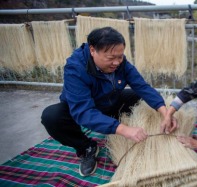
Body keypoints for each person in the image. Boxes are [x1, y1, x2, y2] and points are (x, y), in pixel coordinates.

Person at [41, 27, 176, 177]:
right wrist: (124, 129)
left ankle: (115, 125)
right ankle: (86, 147)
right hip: (84, 108)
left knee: (140, 97)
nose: (117, 62)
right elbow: (84, 111)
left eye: (120, 57)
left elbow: (142, 86)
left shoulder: (121, 62)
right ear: (93, 50)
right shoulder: (75, 68)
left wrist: (165, 112)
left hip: (110, 101)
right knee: (51, 116)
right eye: (111, 58)